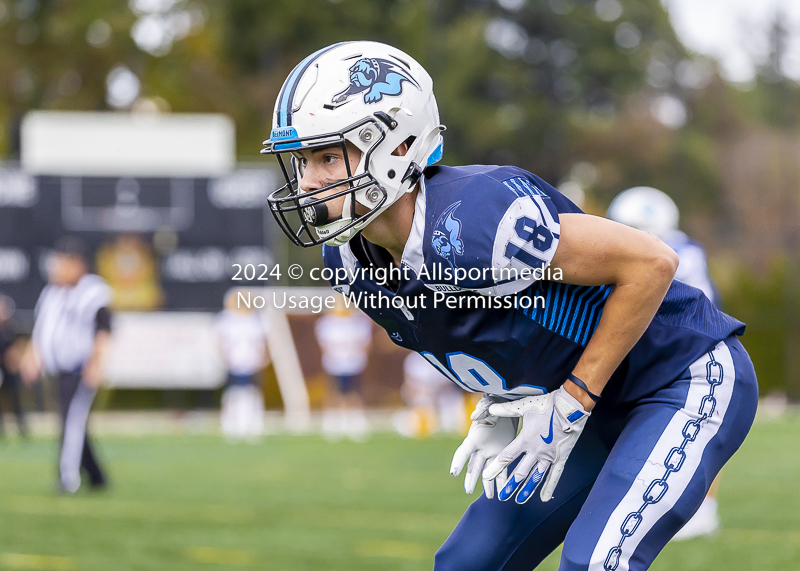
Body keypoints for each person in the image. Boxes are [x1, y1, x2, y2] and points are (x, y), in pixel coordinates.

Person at [260, 41, 758, 570]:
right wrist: (497, 399)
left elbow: (651, 264)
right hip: (586, 404)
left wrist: (573, 399)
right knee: (467, 563)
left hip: (677, 376)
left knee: (596, 562)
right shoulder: (351, 262)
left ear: (397, 148)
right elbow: (481, 328)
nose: (308, 181)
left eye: (327, 157)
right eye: (303, 161)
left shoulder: (476, 222)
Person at [607, 186, 723, 540]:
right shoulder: (683, 248)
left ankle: (704, 509)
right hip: (658, 351)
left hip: (686, 352)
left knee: (698, 434)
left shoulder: (681, 253)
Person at [20, 237, 112, 493]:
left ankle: (67, 478)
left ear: (77, 264)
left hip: (79, 368)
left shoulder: (92, 291)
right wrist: (32, 358)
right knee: (71, 421)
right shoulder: (51, 293)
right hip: (58, 369)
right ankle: (97, 477)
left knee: (70, 422)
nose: (55, 269)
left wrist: (96, 364)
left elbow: (104, 330)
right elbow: (41, 331)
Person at [314, 297, 372, 440]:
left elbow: (365, 344)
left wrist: (356, 354)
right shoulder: (326, 323)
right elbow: (325, 346)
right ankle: (333, 423)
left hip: (354, 363)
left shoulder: (359, 322)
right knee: (335, 392)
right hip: (335, 363)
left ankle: (355, 423)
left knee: (354, 392)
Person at [215, 289, 270, 440]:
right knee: (233, 394)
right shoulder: (225, 319)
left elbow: (263, 342)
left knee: (252, 394)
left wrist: (263, 358)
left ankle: (253, 425)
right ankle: (232, 425)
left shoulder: (257, 319)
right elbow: (221, 341)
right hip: (234, 364)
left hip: (252, 363)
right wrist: (225, 358)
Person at [398, 351, 466, 437]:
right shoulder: (413, 358)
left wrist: (436, 390)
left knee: (451, 424)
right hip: (424, 395)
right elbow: (409, 384)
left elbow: (450, 382)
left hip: (444, 394)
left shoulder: (441, 355)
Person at [0, 293, 29, 439]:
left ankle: (22, 430)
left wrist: (15, 359)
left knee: (15, 399)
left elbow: (18, 345)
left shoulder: (11, 327)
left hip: (9, 369)